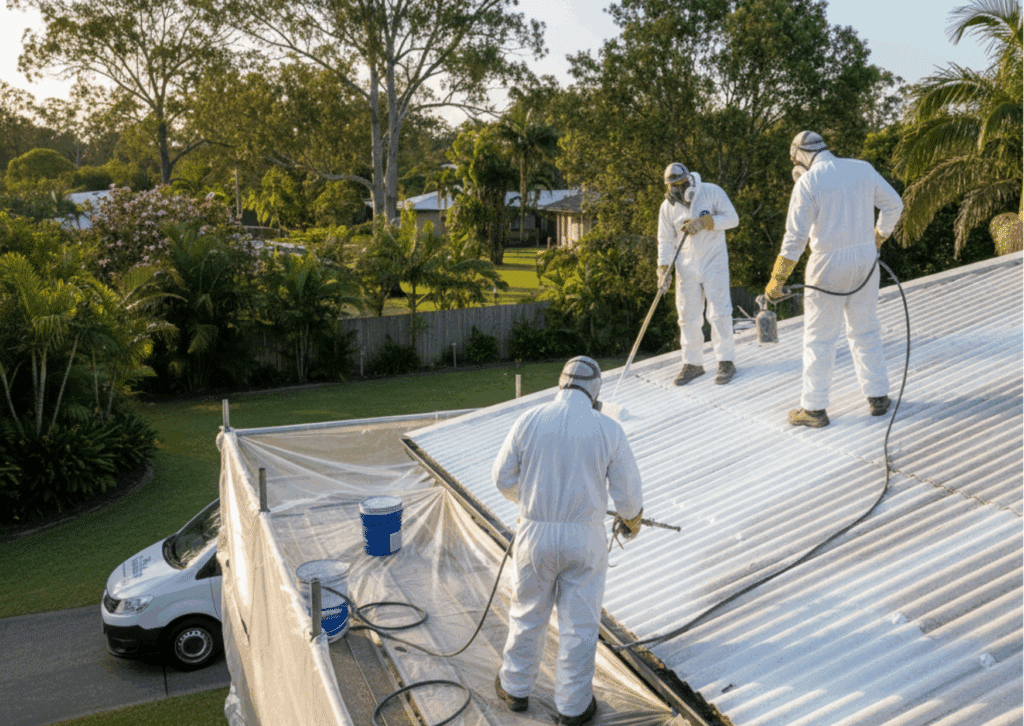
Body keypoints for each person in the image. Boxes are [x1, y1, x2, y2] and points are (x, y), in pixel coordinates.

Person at [492, 356, 644, 725]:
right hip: (584, 538)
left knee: (527, 612)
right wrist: (631, 521)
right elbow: (628, 496)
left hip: (535, 535)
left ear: (561, 385)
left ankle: (514, 688)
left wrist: (529, 501)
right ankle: (573, 708)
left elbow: (501, 478)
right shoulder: (608, 428)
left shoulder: (529, 419)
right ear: (594, 393)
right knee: (580, 624)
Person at [766, 131, 904, 428]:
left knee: (820, 338)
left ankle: (814, 409)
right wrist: (879, 235)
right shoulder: (862, 168)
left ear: (800, 156)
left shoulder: (807, 183)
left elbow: (794, 240)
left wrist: (777, 279)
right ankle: (878, 396)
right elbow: (894, 204)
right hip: (866, 258)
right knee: (865, 329)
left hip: (827, 264)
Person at [657, 162, 741, 385]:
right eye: (672, 187)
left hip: (713, 261)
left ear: (689, 181)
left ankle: (725, 360)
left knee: (719, 312)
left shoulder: (711, 192)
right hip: (685, 266)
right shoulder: (667, 208)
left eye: (681, 184)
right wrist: (663, 268)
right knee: (687, 315)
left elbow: (733, 219)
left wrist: (706, 222)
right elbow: (665, 240)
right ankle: (693, 363)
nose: (678, 190)